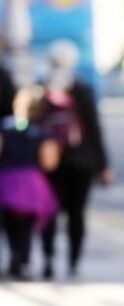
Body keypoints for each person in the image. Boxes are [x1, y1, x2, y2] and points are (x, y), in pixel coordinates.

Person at [40, 40, 112, 279]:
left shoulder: (41, 90)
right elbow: (94, 129)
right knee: (77, 213)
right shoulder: (82, 90)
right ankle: (73, 262)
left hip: (50, 162)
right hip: (81, 162)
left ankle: (48, 259)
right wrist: (103, 165)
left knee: (49, 211)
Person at [0, 86, 60, 280]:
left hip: (7, 181)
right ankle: (33, 259)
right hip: (32, 183)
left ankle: (17, 257)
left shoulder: (4, 127)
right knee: (31, 224)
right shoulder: (42, 132)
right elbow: (49, 163)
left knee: (11, 224)